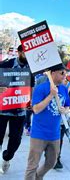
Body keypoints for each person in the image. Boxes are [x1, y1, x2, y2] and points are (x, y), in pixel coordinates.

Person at [25, 64, 70, 179]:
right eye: (62, 73)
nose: (65, 76)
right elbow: (36, 109)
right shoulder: (41, 88)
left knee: (52, 162)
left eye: (65, 73)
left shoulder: (64, 89)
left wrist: (64, 110)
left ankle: (38, 177)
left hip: (54, 135)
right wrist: (51, 95)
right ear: (53, 73)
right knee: (32, 165)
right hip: (39, 134)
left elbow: (67, 105)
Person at [0, 45, 34, 174]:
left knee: (16, 140)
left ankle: (7, 157)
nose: (28, 56)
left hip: (20, 111)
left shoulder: (31, 69)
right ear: (19, 52)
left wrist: (31, 101)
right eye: (26, 53)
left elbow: (32, 86)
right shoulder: (4, 65)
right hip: (2, 109)